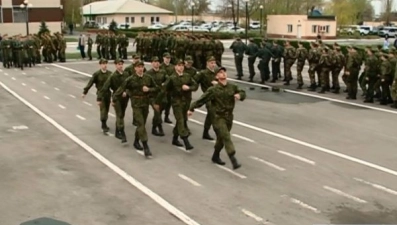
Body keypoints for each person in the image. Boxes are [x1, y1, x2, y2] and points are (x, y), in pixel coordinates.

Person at [188, 66, 246, 170]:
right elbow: (202, 100)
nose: (223, 73)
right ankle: (233, 158)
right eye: (220, 72)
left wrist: (239, 95)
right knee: (226, 136)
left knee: (221, 139)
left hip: (229, 117)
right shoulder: (213, 90)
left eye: (224, 72)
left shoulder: (232, 87)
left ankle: (215, 155)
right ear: (216, 76)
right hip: (219, 117)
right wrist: (191, 109)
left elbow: (243, 92)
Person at [113, 61, 158, 157]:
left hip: (145, 104)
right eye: (138, 67)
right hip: (136, 104)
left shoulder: (148, 78)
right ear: (135, 68)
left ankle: (136, 141)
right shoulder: (130, 79)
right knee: (141, 124)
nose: (141, 68)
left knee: (142, 124)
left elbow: (156, 88)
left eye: (142, 67)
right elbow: (121, 89)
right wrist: (114, 99)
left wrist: (149, 89)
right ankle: (145, 146)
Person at [155, 59, 198, 151]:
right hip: (176, 102)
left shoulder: (187, 76)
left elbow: (195, 86)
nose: (181, 67)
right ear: (175, 67)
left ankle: (175, 138)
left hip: (186, 102)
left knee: (183, 120)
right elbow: (164, 90)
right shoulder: (172, 78)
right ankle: (186, 140)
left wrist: (189, 88)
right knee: (180, 120)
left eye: (182, 65)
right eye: (179, 65)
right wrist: (157, 102)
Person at [98, 59, 130, 142]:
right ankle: (122, 133)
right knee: (119, 115)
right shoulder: (113, 76)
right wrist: (99, 98)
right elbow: (105, 87)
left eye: (121, 64)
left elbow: (130, 86)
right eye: (119, 64)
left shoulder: (126, 74)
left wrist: (126, 92)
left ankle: (117, 131)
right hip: (117, 98)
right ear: (115, 65)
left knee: (122, 115)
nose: (121, 66)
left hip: (125, 98)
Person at [82, 59, 112, 133]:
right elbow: (90, 83)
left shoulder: (110, 74)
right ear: (100, 65)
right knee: (103, 110)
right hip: (100, 94)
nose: (105, 65)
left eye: (105, 63)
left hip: (108, 93)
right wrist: (85, 92)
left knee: (107, 109)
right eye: (103, 64)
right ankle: (103, 124)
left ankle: (104, 122)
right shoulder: (97, 74)